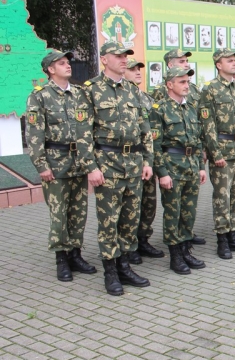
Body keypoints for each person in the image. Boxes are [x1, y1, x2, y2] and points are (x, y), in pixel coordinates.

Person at [79, 41, 153, 296]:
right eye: (118, 56)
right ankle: (110, 273)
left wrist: (147, 161)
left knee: (130, 220)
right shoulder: (90, 90)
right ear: (105, 60)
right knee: (109, 221)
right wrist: (91, 167)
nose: (124, 60)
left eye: (126, 56)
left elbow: (145, 129)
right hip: (107, 164)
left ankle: (125, 267)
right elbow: (82, 133)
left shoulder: (132, 91)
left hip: (133, 164)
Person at [26, 50, 96, 281]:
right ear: (50, 69)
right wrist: (41, 165)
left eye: (68, 62)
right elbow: (34, 134)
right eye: (62, 63)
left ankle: (75, 254)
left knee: (79, 212)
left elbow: (88, 129)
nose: (68, 66)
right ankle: (61, 258)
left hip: (80, 162)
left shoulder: (80, 94)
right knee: (59, 213)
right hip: (56, 163)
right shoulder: (40, 96)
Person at [198, 48, 235, 258]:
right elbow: (208, 124)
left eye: (234, 60)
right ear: (218, 65)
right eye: (229, 60)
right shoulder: (210, 89)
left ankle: (234, 235)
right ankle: (222, 240)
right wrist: (215, 153)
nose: (233, 63)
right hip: (222, 151)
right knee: (222, 196)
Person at [150, 67, 207, 274]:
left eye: (187, 82)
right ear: (169, 84)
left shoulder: (191, 108)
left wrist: (201, 166)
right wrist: (162, 172)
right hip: (172, 166)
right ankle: (175, 255)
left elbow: (198, 140)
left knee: (189, 212)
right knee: (173, 213)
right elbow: (154, 145)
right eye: (182, 82)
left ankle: (185, 249)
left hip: (191, 165)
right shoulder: (159, 109)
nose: (186, 85)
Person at [124, 58, 166, 265]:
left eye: (139, 68)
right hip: (127, 160)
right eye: (133, 69)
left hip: (146, 158)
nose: (138, 72)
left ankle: (143, 240)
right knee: (130, 206)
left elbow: (153, 132)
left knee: (149, 202)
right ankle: (128, 245)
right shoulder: (121, 97)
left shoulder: (146, 98)